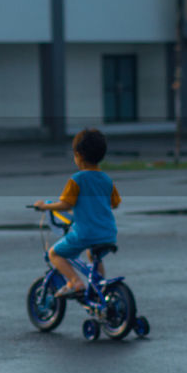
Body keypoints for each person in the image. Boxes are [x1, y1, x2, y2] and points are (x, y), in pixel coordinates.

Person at [32, 128, 121, 298]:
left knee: (54, 253)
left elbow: (65, 204)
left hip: (85, 233)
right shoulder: (106, 179)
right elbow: (114, 204)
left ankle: (74, 281)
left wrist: (44, 206)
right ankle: (100, 286)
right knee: (93, 255)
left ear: (78, 155)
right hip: (108, 233)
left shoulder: (77, 180)